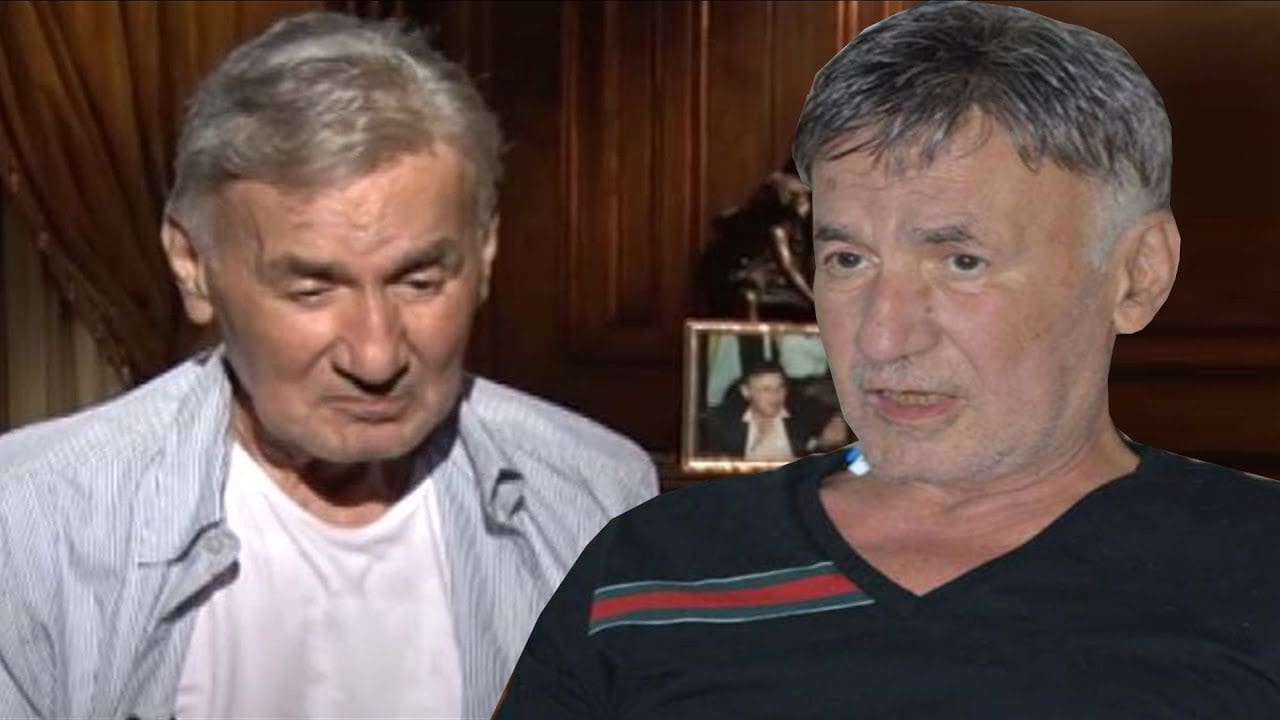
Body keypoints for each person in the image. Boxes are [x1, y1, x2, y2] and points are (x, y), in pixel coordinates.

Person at [495, 3, 1280, 718]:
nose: (881, 337)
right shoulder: (651, 571)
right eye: (848, 260)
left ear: (1137, 275)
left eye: (961, 263)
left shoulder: (1255, 570)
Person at [0, 12, 657, 720]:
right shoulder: (33, 521)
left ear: (485, 253)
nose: (375, 356)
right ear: (193, 265)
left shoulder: (596, 497)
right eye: (312, 290)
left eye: (420, 282)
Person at [702, 361, 816, 461]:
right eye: (766, 389)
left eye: (780, 387)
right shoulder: (724, 425)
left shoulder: (802, 418)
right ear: (746, 392)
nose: (775, 396)